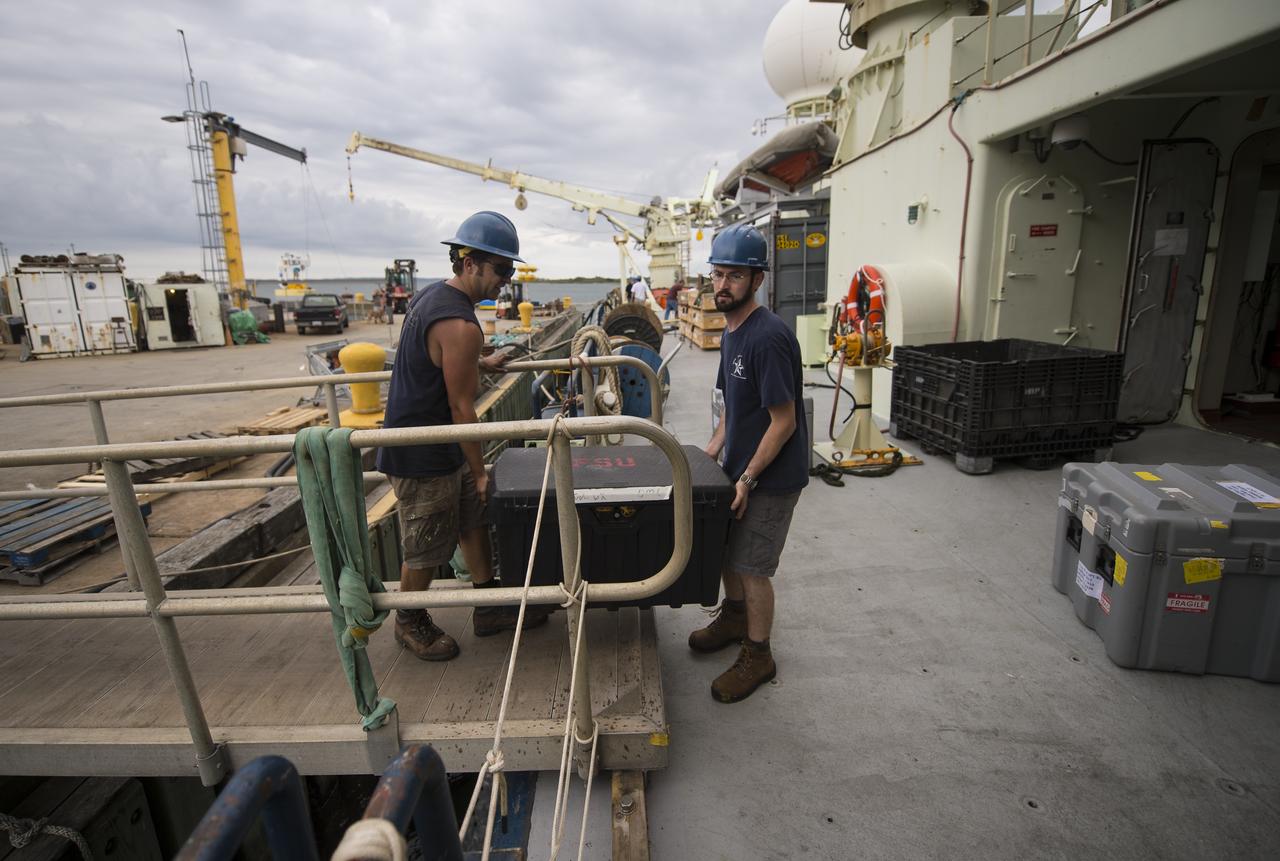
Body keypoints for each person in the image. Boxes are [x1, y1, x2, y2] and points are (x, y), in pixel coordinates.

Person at [377, 211, 549, 661]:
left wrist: (480, 361)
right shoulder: (461, 325)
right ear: (469, 262)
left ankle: (487, 605)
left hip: (434, 439)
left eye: (510, 271)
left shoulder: (432, 298)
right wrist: (479, 472)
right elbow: (461, 406)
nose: (506, 281)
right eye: (501, 270)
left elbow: (440, 364)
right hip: (422, 450)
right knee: (426, 544)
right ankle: (409, 621)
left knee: (473, 521)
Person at [689, 223, 808, 703]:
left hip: (771, 476)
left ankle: (759, 653)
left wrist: (747, 478)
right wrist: (710, 452)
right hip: (739, 467)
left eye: (734, 276)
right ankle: (735, 617)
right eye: (717, 274)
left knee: (751, 565)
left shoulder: (768, 338)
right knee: (723, 551)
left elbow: (784, 422)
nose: (722, 285)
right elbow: (732, 409)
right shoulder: (731, 333)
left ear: (756, 280)